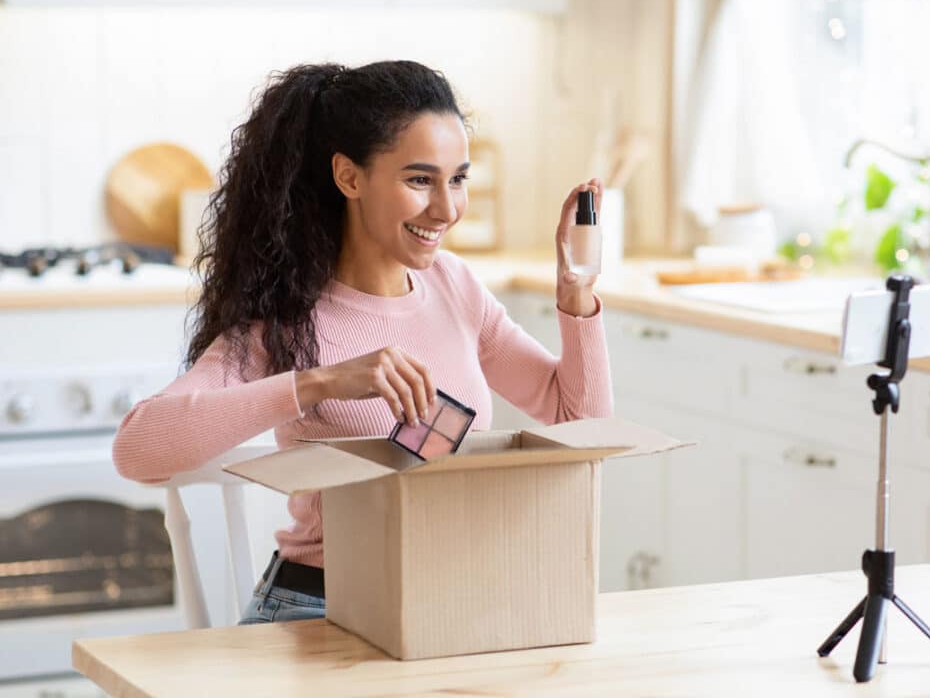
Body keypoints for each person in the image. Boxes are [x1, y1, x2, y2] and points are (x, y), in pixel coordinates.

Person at [112, 60, 614, 625]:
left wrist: (576, 293)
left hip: (450, 599)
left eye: (458, 179)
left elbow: (581, 421)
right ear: (350, 177)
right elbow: (137, 451)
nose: (447, 209)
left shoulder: (454, 286)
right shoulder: (286, 320)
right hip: (321, 608)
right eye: (420, 180)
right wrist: (319, 382)